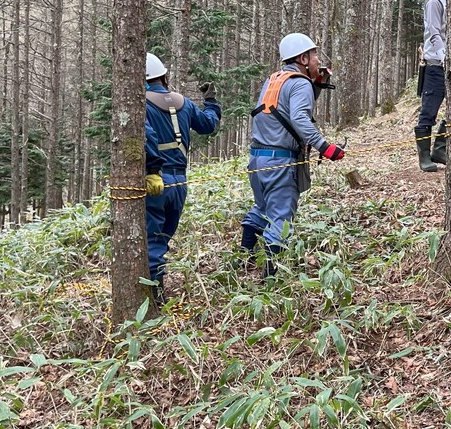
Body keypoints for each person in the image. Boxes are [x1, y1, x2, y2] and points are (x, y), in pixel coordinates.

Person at [239, 33, 345, 276]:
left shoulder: (274, 80)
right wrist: (324, 146)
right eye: (315, 55)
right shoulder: (300, 83)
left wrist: (317, 85)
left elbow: (285, 110)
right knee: (281, 218)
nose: (319, 60)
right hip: (281, 162)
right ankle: (270, 281)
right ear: (303, 58)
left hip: (258, 159)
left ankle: (243, 259)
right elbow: (298, 118)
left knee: (262, 208)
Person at [143, 52, 222, 305]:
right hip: (180, 183)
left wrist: (152, 170)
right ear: (163, 77)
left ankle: (154, 299)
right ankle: (157, 292)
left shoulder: (140, 105)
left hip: (156, 182)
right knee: (163, 238)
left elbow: (147, 137)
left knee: (153, 240)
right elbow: (208, 124)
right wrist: (211, 101)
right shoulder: (183, 102)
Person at [414, 0, 449, 172]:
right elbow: (434, 32)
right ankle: (424, 156)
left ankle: (440, 149)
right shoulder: (435, 2)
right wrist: (444, 55)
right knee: (429, 111)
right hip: (435, 65)